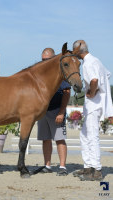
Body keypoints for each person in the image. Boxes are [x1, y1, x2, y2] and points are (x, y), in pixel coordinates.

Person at [72, 40, 113, 181]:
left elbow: (94, 80)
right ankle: (88, 166)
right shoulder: (96, 61)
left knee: (92, 136)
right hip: (96, 104)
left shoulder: (89, 63)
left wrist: (92, 92)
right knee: (84, 135)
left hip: (94, 105)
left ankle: (97, 170)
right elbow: (107, 75)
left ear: (79, 50)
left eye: (74, 50)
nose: (73, 53)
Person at [36, 48, 71, 176]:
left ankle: (62, 167)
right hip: (43, 112)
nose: (44, 62)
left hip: (56, 111)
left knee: (60, 139)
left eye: (47, 59)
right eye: (43, 60)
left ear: (54, 58)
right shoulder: (39, 73)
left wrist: (61, 112)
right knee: (45, 139)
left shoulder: (60, 73)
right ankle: (47, 165)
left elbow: (67, 93)